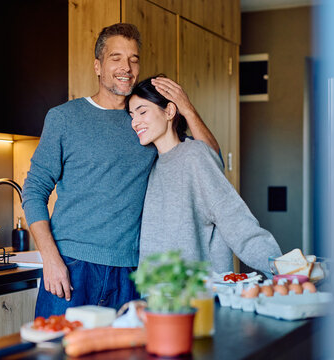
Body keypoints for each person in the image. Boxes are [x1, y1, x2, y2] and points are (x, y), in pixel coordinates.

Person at [21, 23, 219, 317]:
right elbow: (34, 190)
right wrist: (50, 258)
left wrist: (186, 107)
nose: (126, 67)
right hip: (72, 268)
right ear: (98, 66)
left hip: (132, 271)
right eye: (116, 58)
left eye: (134, 59)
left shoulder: (147, 122)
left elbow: (211, 161)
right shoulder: (64, 118)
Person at [126, 76, 282, 274]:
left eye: (142, 112)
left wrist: (281, 267)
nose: (135, 122)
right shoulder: (151, 164)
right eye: (132, 115)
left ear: (170, 111)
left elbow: (234, 219)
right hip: (155, 294)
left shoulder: (195, 155)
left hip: (195, 294)